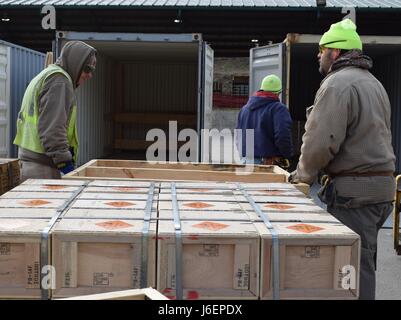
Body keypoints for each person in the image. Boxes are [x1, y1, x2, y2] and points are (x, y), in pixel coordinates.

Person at [289, 19, 396, 300]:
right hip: (379, 190)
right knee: (363, 263)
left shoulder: (337, 85)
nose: (318, 54)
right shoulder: (373, 84)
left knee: (351, 268)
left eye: (322, 49)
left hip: (355, 195)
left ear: (335, 53)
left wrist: (300, 178)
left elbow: (320, 142)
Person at [14, 41, 97, 181]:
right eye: (87, 69)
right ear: (76, 63)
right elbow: (53, 128)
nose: (89, 75)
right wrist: (65, 163)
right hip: (42, 168)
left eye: (92, 71)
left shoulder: (48, 74)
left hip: (32, 163)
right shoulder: (60, 81)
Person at [236, 74, 293, 168]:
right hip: (267, 163)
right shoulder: (278, 109)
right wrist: (287, 155)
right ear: (278, 93)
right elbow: (282, 135)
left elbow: (238, 136)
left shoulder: (244, 109)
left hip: (245, 162)